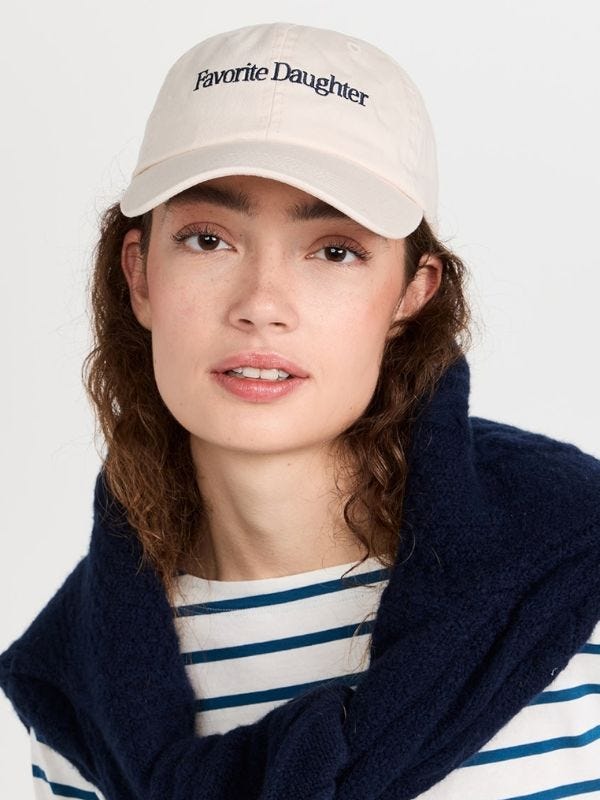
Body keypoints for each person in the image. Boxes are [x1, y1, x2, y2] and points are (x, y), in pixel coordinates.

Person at [1, 21, 600, 800]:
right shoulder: (79, 692)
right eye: (209, 239)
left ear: (412, 294)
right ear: (140, 275)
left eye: (335, 250)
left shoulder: (570, 584)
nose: (261, 306)